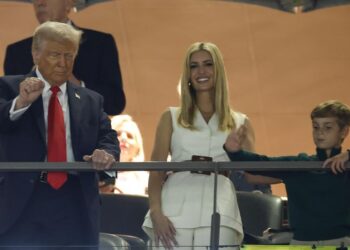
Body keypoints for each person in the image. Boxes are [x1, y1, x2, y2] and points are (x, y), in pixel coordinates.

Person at [0, 21, 119, 249]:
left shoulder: (91, 99)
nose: (63, 64)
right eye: (55, 55)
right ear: (35, 53)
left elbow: (108, 136)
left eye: (69, 56)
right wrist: (21, 102)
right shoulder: (9, 87)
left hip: (75, 202)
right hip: (22, 201)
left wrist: (105, 152)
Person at [143, 42, 267, 249]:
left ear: (218, 69)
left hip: (221, 205)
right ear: (187, 73)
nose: (201, 71)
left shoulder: (241, 122)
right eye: (194, 66)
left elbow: (253, 173)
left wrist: (298, 169)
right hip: (174, 204)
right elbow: (156, 170)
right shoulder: (170, 117)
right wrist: (156, 212)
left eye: (208, 64)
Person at [224, 100, 350, 246]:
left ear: (344, 132)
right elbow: (260, 163)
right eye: (315, 127)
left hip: (341, 243)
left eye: (328, 127)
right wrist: (234, 152)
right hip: (301, 244)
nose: (320, 132)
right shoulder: (298, 165)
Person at [3, 0, 125, 116]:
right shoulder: (17, 52)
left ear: (68, 3)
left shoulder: (99, 43)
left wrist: (77, 86)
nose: (40, 2)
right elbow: (7, 112)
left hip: (83, 135)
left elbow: (115, 102)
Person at [99, 114, 149, 195]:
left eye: (130, 136)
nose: (124, 138)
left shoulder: (147, 180)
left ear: (138, 148)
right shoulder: (96, 176)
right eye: (118, 134)